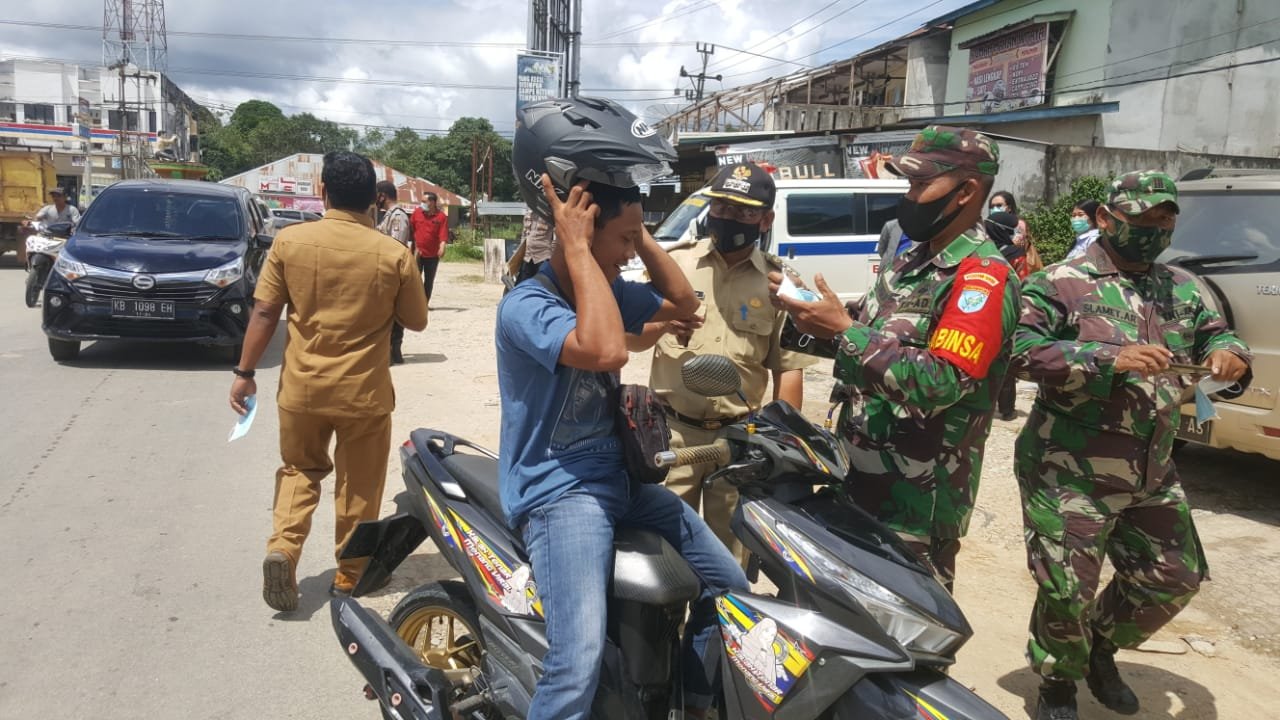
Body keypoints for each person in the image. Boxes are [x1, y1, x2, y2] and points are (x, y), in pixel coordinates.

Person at [499, 96, 748, 720]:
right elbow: (606, 350)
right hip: (561, 494)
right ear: (577, 232)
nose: (630, 255)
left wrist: (634, 232)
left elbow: (686, 302)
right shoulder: (529, 305)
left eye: (634, 241)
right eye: (621, 241)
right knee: (575, 661)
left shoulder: (608, 285)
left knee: (732, 588)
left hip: (618, 482)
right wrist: (578, 248)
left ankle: (688, 703)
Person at [1011, 171, 1251, 720]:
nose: (1153, 230)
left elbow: (1218, 334)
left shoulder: (1182, 286)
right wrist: (1104, 358)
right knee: (1066, 587)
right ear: (1104, 219)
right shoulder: (1060, 281)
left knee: (1174, 577)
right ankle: (1057, 684)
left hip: (1152, 466)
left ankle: (1097, 644)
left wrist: (1231, 354)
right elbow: (1019, 351)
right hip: (1068, 467)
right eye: (1139, 220)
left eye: (1163, 220)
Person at [771, 125, 1020, 592]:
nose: (909, 196)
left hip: (917, 502)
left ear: (967, 191)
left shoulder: (981, 278)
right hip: (860, 476)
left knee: (907, 644)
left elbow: (942, 382)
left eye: (920, 184)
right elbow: (876, 342)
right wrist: (811, 317)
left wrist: (845, 330)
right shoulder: (909, 262)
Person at [228, 151, 429, 612]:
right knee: (359, 484)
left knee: (299, 470)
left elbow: (263, 311)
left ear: (323, 193)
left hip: (302, 390)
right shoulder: (393, 254)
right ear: (373, 200)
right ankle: (349, 575)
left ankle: (284, 548)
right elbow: (415, 322)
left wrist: (243, 373)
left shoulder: (289, 242)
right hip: (364, 394)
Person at [627, 163, 818, 563]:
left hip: (737, 442)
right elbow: (632, 341)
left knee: (729, 557)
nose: (728, 217)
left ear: (766, 219)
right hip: (670, 435)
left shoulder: (779, 284)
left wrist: (777, 443)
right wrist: (662, 323)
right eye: (721, 206)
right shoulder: (674, 265)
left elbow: (788, 369)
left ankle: (716, 626)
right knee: (660, 555)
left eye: (743, 211)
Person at [985, 210, 1028, 421]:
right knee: (1005, 359)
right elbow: (1023, 284)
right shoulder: (1016, 254)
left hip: (984, 310)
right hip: (1007, 310)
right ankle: (1007, 408)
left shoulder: (982, 251)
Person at [376, 181, 415, 365]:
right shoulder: (387, 216)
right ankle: (393, 351)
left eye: (377, 195)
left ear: (383, 195)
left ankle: (393, 351)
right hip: (386, 270)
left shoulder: (398, 217)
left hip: (392, 271)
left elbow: (396, 248)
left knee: (392, 314)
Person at [410, 192, 449, 304]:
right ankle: (414, 303)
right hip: (417, 253)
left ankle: (424, 303)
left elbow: (443, 234)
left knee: (429, 281)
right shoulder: (417, 213)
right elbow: (410, 228)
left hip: (432, 255)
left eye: (424, 201)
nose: (421, 204)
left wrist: (442, 247)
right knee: (414, 280)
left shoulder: (441, 217)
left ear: (432, 202)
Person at [515, 207, 555, 283]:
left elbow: (555, 237)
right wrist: (520, 253)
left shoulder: (550, 212)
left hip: (543, 257)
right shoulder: (528, 212)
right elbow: (524, 234)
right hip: (528, 257)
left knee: (544, 285)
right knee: (521, 285)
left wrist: (552, 257)